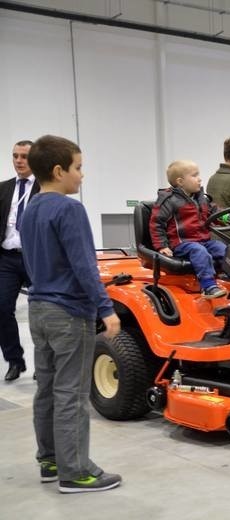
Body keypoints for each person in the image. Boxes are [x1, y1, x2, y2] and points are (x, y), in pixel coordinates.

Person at [20, 135, 122, 493]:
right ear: (59, 170)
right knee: (72, 394)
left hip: (38, 308)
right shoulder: (69, 209)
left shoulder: (30, 208)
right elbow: (84, 265)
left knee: (46, 387)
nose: (82, 176)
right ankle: (76, 471)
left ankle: (50, 459)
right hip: (68, 311)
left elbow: (29, 261)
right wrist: (105, 307)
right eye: (78, 168)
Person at [150, 160, 228, 299]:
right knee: (199, 252)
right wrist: (161, 246)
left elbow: (214, 212)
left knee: (223, 248)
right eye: (195, 175)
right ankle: (208, 286)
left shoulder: (201, 198)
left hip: (203, 240)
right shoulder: (169, 200)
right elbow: (157, 223)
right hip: (182, 243)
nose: (200, 179)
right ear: (180, 181)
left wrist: (228, 217)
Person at [1, 140, 39, 381]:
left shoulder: (45, 189)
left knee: (41, 313)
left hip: (37, 259)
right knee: (2, 309)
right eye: (15, 156)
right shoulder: (3, 189)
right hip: (7, 258)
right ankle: (15, 361)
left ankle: (44, 364)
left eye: (24, 156)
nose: (18, 160)